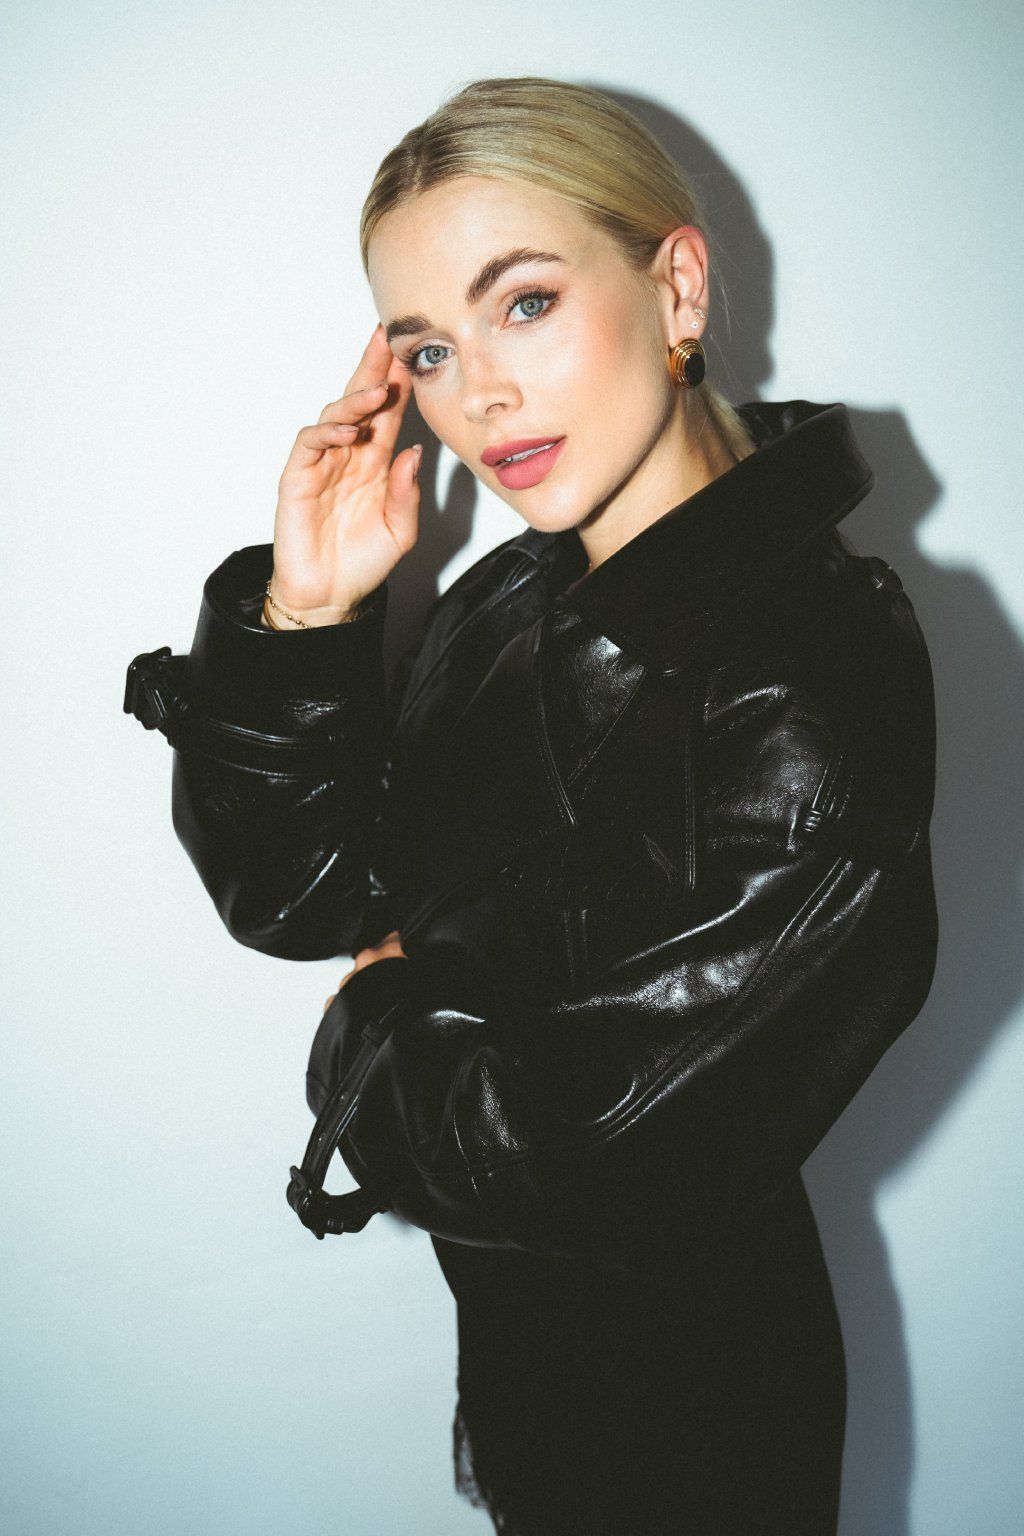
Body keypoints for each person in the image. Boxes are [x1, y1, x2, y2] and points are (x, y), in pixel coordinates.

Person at [124, 76, 939, 1536]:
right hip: (527, 1358)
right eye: (430, 348)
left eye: (525, 304)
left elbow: (592, 1156)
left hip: (698, 1423)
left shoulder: (811, 683)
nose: (477, 395)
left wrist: (372, 1022)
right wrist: (306, 615)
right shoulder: (519, 595)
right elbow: (303, 896)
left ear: (675, 287)